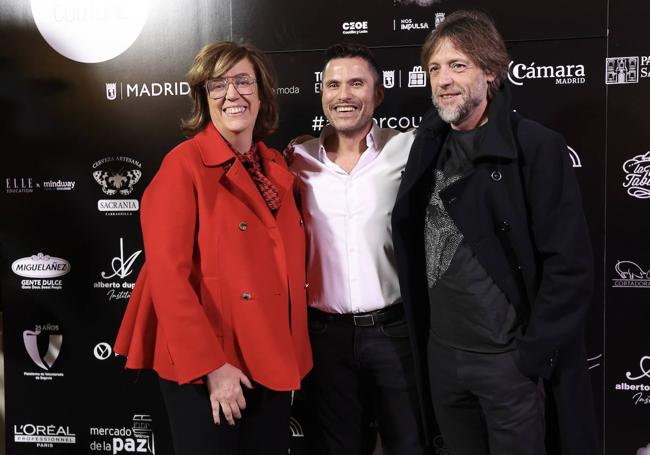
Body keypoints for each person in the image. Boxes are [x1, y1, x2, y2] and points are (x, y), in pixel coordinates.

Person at [392, 10, 599, 455]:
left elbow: (570, 266)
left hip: (508, 364)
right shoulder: (427, 144)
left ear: (490, 72)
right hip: (443, 357)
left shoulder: (535, 147)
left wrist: (529, 355)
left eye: (458, 65)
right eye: (434, 68)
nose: (443, 79)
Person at [114, 41, 312, 455]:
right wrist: (211, 367)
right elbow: (168, 278)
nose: (232, 94)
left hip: (271, 357)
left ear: (262, 93)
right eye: (217, 84)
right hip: (209, 365)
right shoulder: (182, 166)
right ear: (205, 98)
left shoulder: (275, 167)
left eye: (243, 81)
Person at [289, 43, 428, 455]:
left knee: (409, 445)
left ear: (378, 93)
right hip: (324, 337)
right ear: (322, 95)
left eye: (356, 83)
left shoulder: (407, 149)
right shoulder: (296, 160)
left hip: (394, 332)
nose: (344, 95)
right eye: (333, 85)